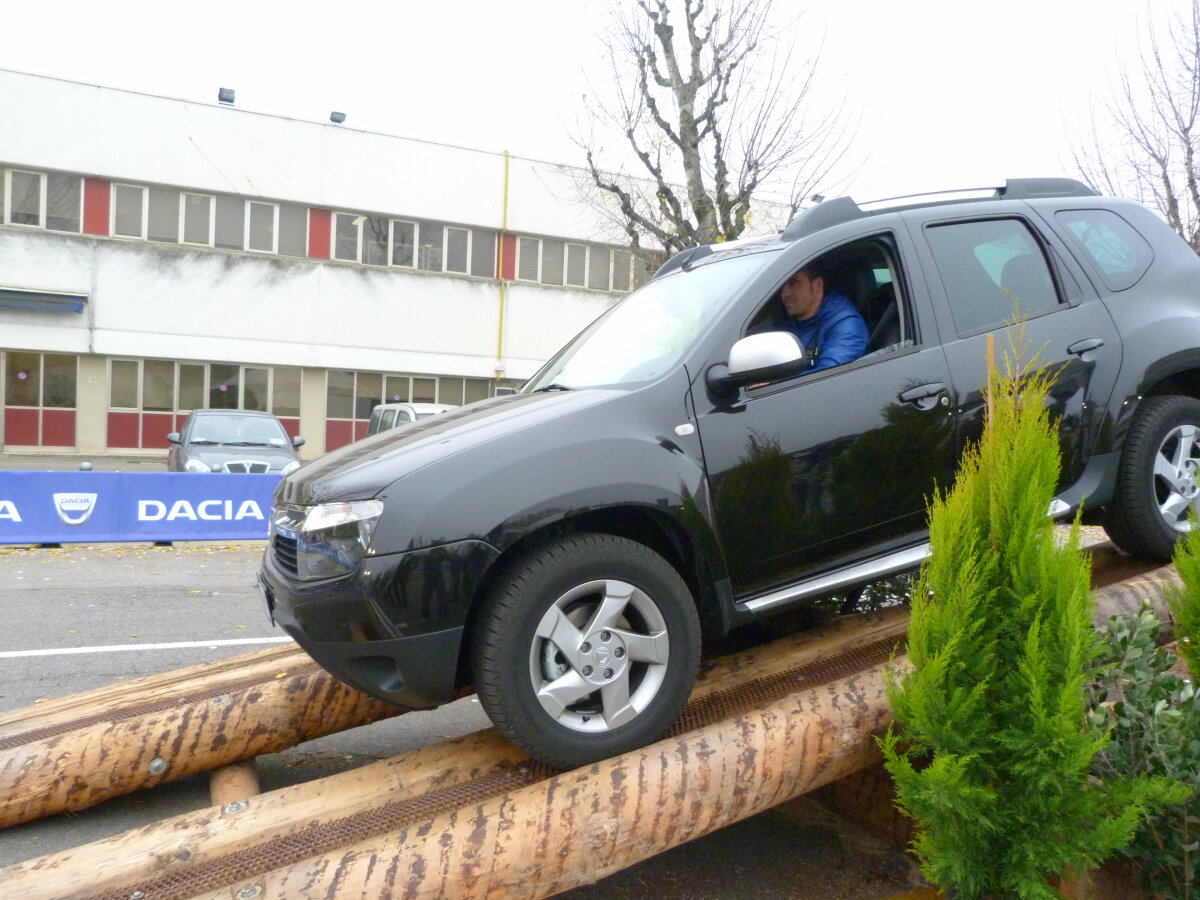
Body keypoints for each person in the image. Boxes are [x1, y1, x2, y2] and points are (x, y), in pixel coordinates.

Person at [778, 262, 868, 373]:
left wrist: (770, 386)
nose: (785, 293)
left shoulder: (846, 324)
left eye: (793, 283)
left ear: (817, 285)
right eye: (782, 286)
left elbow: (829, 375)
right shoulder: (789, 324)